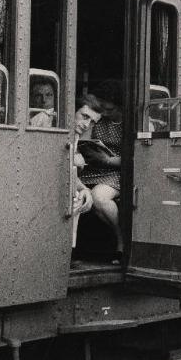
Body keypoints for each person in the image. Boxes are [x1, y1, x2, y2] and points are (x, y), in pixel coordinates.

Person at [80, 80, 123, 264]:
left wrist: (108, 160)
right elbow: (84, 142)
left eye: (109, 109)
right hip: (92, 169)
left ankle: (122, 241)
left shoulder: (130, 123)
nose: (104, 113)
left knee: (99, 197)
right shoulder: (97, 119)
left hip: (117, 171)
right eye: (102, 108)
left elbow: (133, 156)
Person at [72, 94, 103, 253]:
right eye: (84, 116)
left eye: (92, 122)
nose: (86, 125)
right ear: (72, 109)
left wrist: (84, 189)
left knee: (79, 196)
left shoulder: (75, 135)